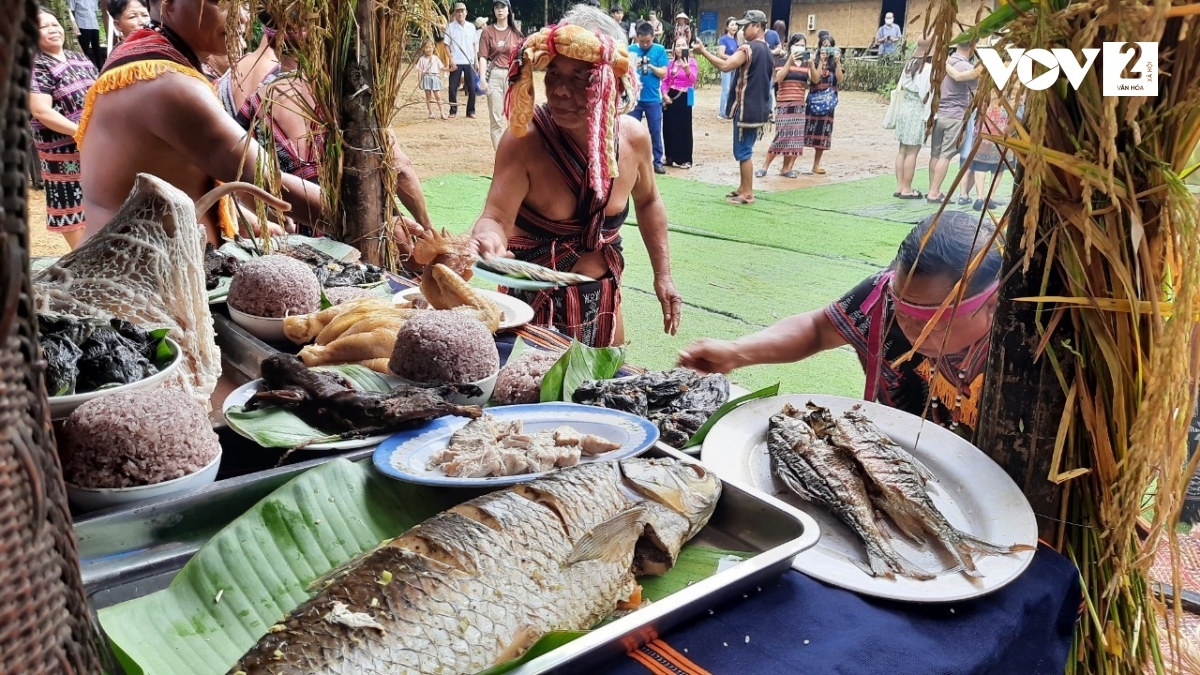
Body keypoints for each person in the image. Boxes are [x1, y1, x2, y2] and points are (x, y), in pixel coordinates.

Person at [470, 5, 681, 347]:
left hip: (603, 301)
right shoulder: (524, 139)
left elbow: (649, 200)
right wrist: (487, 238)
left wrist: (664, 276)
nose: (560, 90)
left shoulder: (632, 139)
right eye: (554, 73)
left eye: (582, 77)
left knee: (608, 389)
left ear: (611, 82)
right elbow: (495, 217)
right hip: (531, 311)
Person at [680, 211, 1001, 436]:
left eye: (931, 320)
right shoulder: (882, 296)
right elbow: (819, 330)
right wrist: (736, 353)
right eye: (902, 309)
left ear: (990, 306)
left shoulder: (1020, 346)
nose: (910, 330)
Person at [76, 0, 324, 246]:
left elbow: (173, 182)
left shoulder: (152, 57)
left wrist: (241, 218)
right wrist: (353, 215)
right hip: (133, 272)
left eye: (244, 6)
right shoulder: (167, 82)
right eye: (223, 3)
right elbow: (266, 179)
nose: (243, 18)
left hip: (149, 261)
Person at [216, 11, 432, 230]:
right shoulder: (347, 96)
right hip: (361, 229)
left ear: (273, 42)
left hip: (296, 237)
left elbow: (241, 175)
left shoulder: (257, 101)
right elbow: (400, 169)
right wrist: (428, 228)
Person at [29, 8, 98, 248]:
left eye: (55, 24)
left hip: (94, 144)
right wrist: (80, 132)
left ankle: (103, 258)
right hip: (62, 151)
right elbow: (41, 111)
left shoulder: (78, 57)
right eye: (43, 26)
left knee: (98, 201)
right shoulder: (33, 65)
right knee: (70, 204)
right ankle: (82, 260)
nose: (53, 29)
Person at [692, 9, 773, 205]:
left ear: (758, 26)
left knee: (744, 152)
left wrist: (703, 51)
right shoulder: (768, 50)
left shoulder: (748, 49)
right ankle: (743, 187)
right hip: (759, 108)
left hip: (747, 109)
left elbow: (726, 65)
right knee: (745, 150)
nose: (743, 30)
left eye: (747, 26)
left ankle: (747, 193)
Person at [927, 40, 983, 202]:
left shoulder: (945, 62)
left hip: (939, 113)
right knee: (945, 155)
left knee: (935, 154)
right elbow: (976, 90)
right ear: (972, 47)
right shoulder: (966, 67)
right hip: (955, 115)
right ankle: (934, 192)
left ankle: (932, 189)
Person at [758, 33, 809, 178]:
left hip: (799, 104)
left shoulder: (806, 63)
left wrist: (812, 64)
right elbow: (778, 79)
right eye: (797, 45)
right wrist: (790, 61)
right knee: (781, 136)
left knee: (795, 138)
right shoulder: (781, 61)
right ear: (790, 46)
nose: (800, 48)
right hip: (784, 103)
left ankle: (787, 168)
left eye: (802, 45)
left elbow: (814, 79)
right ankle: (765, 166)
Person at [478, 0, 523, 149]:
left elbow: (522, 59)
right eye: (496, 7)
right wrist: (482, 78)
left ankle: (514, 155)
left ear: (508, 10)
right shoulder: (487, 32)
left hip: (512, 77)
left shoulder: (517, 34)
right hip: (495, 75)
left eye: (502, 7)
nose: (500, 10)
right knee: (496, 119)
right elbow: (483, 56)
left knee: (513, 117)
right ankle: (500, 158)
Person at [892, 36, 932, 199]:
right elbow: (926, 94)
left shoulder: (909, 64)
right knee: (912, 152)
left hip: (904, 109)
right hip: (917, 110)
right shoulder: (928, 68)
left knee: (902, 150)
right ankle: (907, 189)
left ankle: (900, 186)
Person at [626, 22, 668, 175]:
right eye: (641, 41)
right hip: (635, 98)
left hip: (653, 99)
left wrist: (650, 66)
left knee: (655, 131)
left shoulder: (659, 50)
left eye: (648, 41)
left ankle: (657, 161)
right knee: (631, 131)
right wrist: (632, 66)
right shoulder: (630, 50)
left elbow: (663, 73)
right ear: (636, 37)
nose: (644, 44)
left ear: (653, 37)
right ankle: (631, 161)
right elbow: (623, 72)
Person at [805, 30, 843, 175]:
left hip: (828, 103)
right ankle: (790, 163)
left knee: (823, 134)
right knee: (805, 131)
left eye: (829, 46)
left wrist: (838, 62)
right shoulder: (813, 61)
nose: (826, 49)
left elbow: (840, 80)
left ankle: (816, 164)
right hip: (814, 100)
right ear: (819, 46)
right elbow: (814, 79)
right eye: (823, 45)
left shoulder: (834, 63)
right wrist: (820, 61)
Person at [661, 36, 698, 169]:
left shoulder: (692, 62)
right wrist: (664, 94)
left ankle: (685, 159)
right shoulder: (670, 63)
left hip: (686, 95)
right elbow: (665, 80)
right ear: (674, 48)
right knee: (669, 126)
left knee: (684, 127)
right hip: (671, 95)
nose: (680, 48)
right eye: (678, 45)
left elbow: (693, 80)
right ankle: (670, 156)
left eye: (683, 45)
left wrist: (687, 69)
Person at [445, 2, 478, 119]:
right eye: (458, 11)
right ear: (455, 13)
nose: (460, 13)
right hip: (456, 60)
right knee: (452, 87)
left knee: (472, 87)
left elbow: (474, 45)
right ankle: (453, 110)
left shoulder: (471, 27)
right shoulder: (450, 27)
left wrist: (476, 61)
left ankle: (471, 111)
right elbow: (446, 45)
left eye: (462, 11)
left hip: (469, 60)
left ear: (466, 13)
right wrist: (451, 59)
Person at [66, 0, 105, 69]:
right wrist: (74, 24)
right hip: (82, 24)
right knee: (84, 48)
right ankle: (84, 68)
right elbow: (71, 10)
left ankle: (100, 68)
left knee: (97, 48)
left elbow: (95, 11)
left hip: (94, 24)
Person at [417, 41, 447, 119]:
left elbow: (442, 68)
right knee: (428, 96)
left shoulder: (436, 58)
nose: (428, 49)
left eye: (430, 47)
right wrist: (420, 81)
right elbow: (419, 71)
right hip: (426, 77)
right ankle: (431, 112)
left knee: (438, 96)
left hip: (435, 77)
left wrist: (449, 69)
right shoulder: (421, 59)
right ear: (423, 49)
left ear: (433, 48)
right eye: (426, 47)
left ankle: (442, 113)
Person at [716, 18, 738, 120]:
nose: (734, 27)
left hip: (734, 67)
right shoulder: (723, 39)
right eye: (732, 25)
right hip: (726, 66)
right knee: (726, 89)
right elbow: (721, 54)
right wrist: (733, 59)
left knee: (732, 89)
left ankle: (729, 111)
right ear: (727, 27)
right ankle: (722, 112)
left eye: (736, 25)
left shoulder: (736, 40)